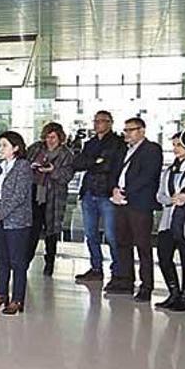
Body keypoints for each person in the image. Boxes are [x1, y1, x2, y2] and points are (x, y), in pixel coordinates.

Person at [106, 117, 164, 302]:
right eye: (125, 130)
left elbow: (148, 176)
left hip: (139, 204)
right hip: (120, 203)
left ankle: (146, 286)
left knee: (143, 246)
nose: (126, 134)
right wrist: (114, 189)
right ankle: (126, 280)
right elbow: (114, 172)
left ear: (142, 131)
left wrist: (125, 192)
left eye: (130, 130)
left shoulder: (152, 150)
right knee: (122, 242)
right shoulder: (124, 150)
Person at [72, 111, 126, 283]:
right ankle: (96, 268)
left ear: (110, 123)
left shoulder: (117, 143)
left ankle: (118, 271)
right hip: (89, 191)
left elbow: (111, 165)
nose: (98, 124)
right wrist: (96, 161)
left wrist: (94, 162)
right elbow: (77, 163)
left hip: (107, 192)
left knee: (112, 235)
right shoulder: (90, 143)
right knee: (90, 233)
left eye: (102, 121)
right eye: (96, 121)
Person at [154, 129, 185, 311]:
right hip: (168, 220)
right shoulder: (169, 170)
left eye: (179, 145)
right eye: (174, 145)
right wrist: (171, 199)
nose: (175, 149)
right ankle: (174, 293)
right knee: (164, 257)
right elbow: (160, 195)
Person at [0, 131, 34, 315]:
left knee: (17, 261)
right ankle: (1, 294)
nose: (1, 148)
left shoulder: (23, 167)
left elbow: (19, 196)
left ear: (16, 148)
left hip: (17, 222)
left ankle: (17, 299)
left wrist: (1, 214)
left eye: (5, 145)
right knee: (2, 259)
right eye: (0, 145)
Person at [26, 122, 75, 276]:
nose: (50, 140)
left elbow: (67, 176)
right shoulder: (36, 148)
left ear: (60, 138)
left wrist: (53, 171)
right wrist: (33, 167)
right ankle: (25, 261)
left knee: (51, 230)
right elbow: (24, 163)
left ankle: (50, 261)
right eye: (47, 137)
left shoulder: (67, 154)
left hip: (54, 196)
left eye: (53, 137)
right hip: (35, 193)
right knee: (32, 229)